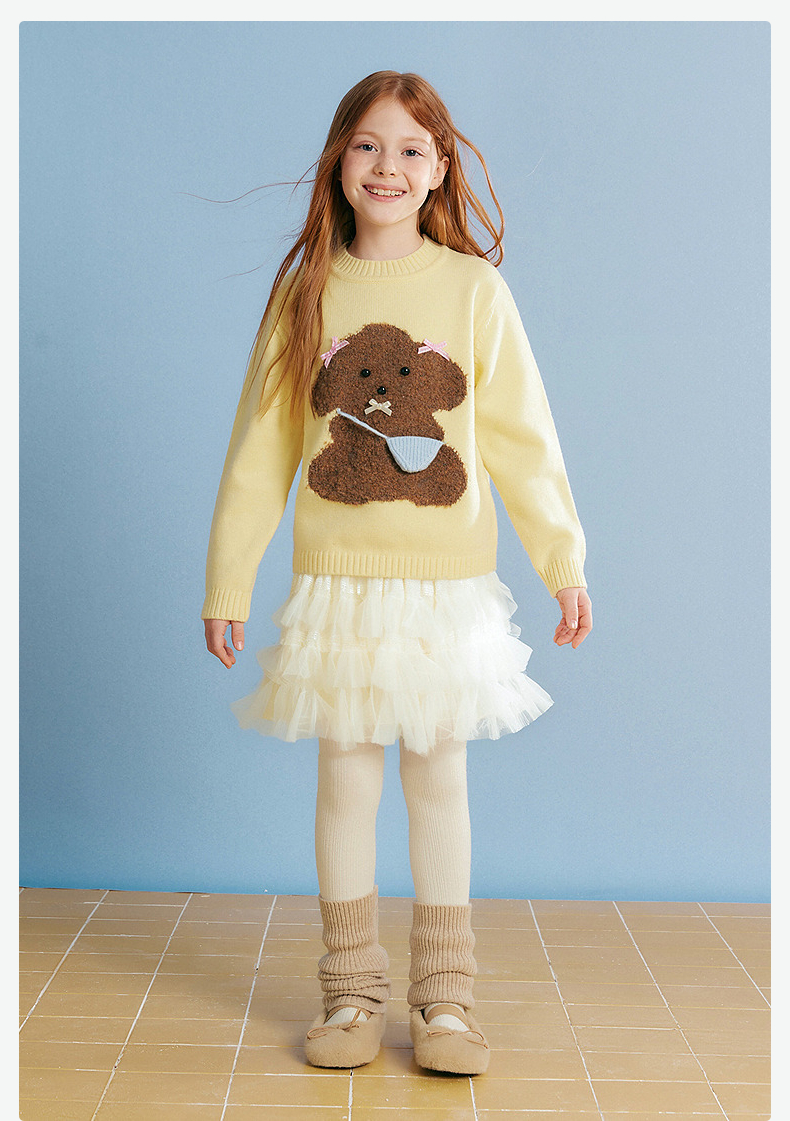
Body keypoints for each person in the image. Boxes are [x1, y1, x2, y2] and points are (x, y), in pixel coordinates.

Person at [202, 70, 592, 1076]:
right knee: (344, 777)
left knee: (438, 775)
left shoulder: (473, 289)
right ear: (340, 157)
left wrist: (562, 560)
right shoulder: (307, 290)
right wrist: (228, 579)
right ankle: (348, 992)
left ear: (440, 168)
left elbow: (523, 437)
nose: (387, 166)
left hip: (447, 588)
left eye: (411, 149)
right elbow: (260, 447)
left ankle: (446, 1001)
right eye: (368, 145)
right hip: (338, 586)